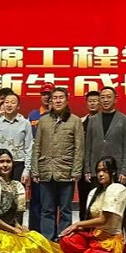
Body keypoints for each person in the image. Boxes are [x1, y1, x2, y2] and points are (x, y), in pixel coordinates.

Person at [59, 156, 126, 253]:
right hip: (94, 235)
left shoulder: (117, 189)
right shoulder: (94, 192)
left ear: (113, 172)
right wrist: (77, 229)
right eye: (98, 171)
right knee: (67, 239)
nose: (101, 174)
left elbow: (103, 220)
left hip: (108, 240)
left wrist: (77, 224)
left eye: (105, 171)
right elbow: (91, 220)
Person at [31, 86, 85, 241]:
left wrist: (76, 171)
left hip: (66, 171)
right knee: (47, 209)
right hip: (46, 170)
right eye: (55, 98)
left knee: (65, 210)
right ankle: (47, 240)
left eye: (61, 97)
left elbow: (79, 148)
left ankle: (63, 239)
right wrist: (35, 169)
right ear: (51, 101)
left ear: (67, 100)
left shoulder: (75, 121)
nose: (58, 101)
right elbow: (37, 146)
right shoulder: (43, 121)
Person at [84, 87, 126, 236]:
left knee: (122, 210)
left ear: (115, 99)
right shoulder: (93, 120)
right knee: (97, 207)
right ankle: (95, 237)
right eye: (103, 97)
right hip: (97, 170)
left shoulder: (124, 120)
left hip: (117, 172)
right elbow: (88, 146)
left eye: (108, 97)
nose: (105, 100)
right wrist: (87, 168)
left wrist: (125, 170)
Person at [0, 91, 32, 184]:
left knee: (17, 191)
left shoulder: (25, 123)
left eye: (13, 102)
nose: (9, 105)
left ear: (18, 106)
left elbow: (29, 148)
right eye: (6, 102)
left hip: (18, 164)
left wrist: (27, 169)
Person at [27, 82, 54, 229]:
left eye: (49, 94)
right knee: (36, 198)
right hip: (37, 161)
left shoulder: (58, 116)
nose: (47, 97)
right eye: (44, 94)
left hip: (53, 163)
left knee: (51, 200)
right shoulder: (33, 115)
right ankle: (35, 229)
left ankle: (50, 231)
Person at [77, 90, 101, 221]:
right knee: (84, 201)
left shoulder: (104, 122)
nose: (92, 103)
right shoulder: (80, 122)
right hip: (84, 168)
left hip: (100, 168)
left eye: (95, 101)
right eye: (90, 101)